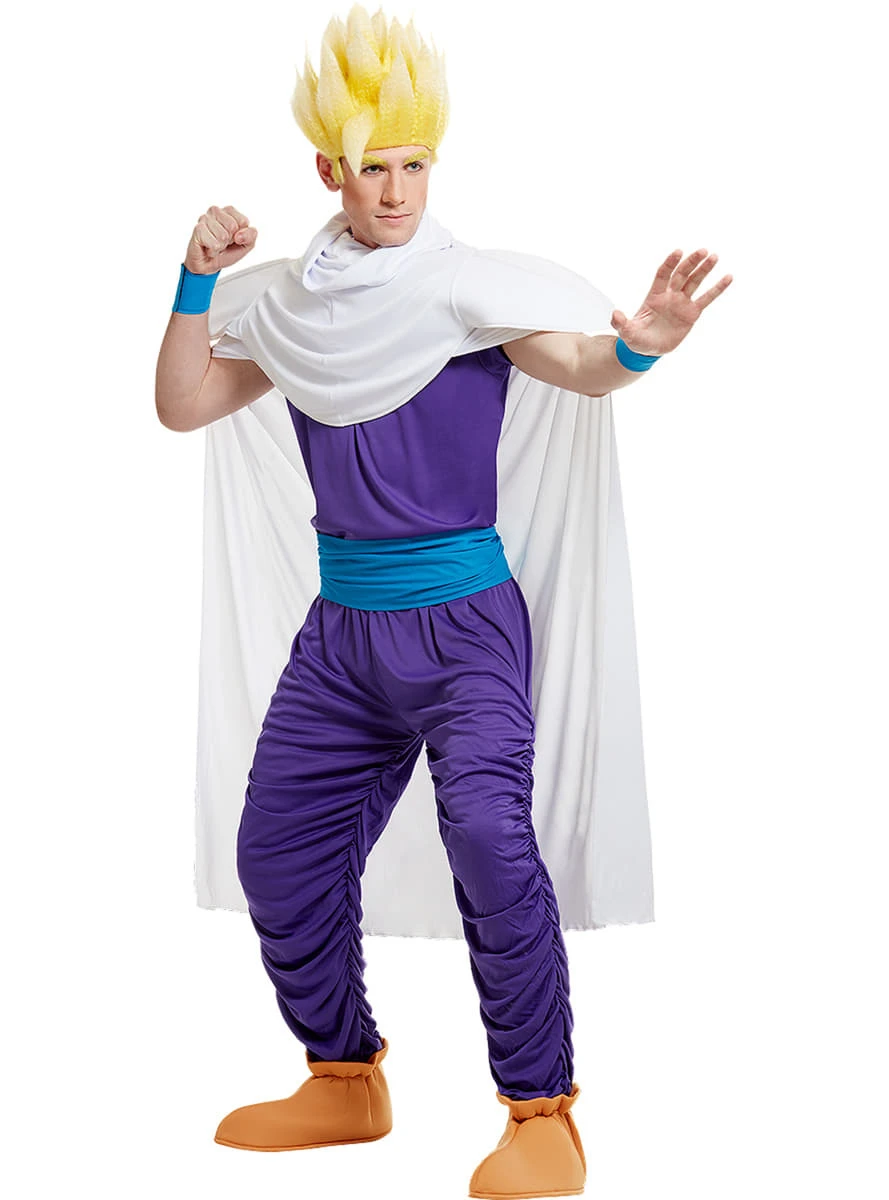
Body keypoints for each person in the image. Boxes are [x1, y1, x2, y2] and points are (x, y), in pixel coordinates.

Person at [155, 6, 731, 1197]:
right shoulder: (296, 310)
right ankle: (343, 1077)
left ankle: (540, 1109)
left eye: (416, 165)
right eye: (376, 168)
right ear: (330, 170)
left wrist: (643, 347)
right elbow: (182, 402)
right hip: (343, 638)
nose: (398, 191)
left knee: (485, 835)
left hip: (465, 627)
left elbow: (580, 367)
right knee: (275, 853)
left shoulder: (466, 290)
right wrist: (196, 279)